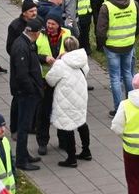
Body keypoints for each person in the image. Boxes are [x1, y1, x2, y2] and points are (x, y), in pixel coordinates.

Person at [97, 0, 139, 116]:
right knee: (128, 74)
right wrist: (132, 36)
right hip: (129, 45)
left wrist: (104, 43)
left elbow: (100, 31)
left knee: (115, 78)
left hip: (112, 47)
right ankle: (132, 104)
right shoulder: (133, 3)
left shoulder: (106, 7)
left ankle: (118, 109)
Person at [46, 35, 92, 167]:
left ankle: (71, 158)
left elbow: (50, 80)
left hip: (66, 98)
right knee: (81, 122)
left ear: (64, 48)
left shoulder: (61, 63)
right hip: (80, 95)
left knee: (68, 126)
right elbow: (86, 73)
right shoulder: (83, 60)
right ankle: (86, 150)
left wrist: (57, 61)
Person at [9, 16, 45, 172]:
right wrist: (33, 90)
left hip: (28, 92)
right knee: (24, 127)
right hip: (25, 94)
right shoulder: (22, 47)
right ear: (35, 33)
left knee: (26, 124)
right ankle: (21, 160)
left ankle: (24, 154)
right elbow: (22, 75)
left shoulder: (25, 43)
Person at [36, 12, 71, 156]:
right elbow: (33, 53)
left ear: (59, 25)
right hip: (46, 79)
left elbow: (75, 51)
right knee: (44, 112)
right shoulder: (39, 35)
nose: (50, 26)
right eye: (48, 23)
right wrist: (44, 58)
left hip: (62, 79)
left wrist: (65, 56)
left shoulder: (67, 34)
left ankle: (63, 141)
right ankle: (42, 142)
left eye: (53, 24)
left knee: (61, 110)